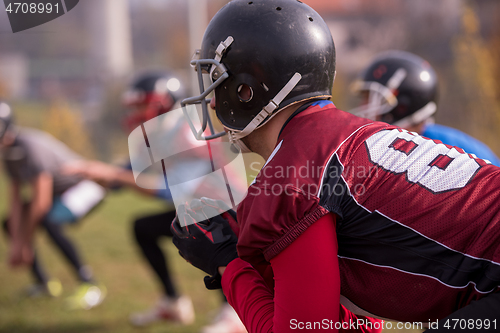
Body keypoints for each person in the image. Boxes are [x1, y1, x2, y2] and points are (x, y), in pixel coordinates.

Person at [170, 1, 500, 332]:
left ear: (246, 89)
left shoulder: (296, 174)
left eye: (217, 80)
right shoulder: (352, 137)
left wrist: (228, 264)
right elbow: (353, 326)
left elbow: (303, 329)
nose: (212, 101)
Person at [65, 72, 247, 333]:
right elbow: (133, 172)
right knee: (144, 228)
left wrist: (114, 175)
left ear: (165, 103)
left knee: (208, 235)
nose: (138, 113)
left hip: (231, 211)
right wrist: (99, 176)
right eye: (135, 107)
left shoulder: (188, 131)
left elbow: (171, 191)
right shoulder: (160, 134)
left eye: (143, 105)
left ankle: (234, 313)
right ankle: (173, 303)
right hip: (199, 208)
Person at [0, 101, 106, 309]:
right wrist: (16, 245)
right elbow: (15, 199)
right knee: (8, 223)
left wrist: (24, 243)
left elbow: (41, 201)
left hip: (84, 185)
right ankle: (44, 284)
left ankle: (90, 284)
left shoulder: (30, 146)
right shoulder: (6, 152)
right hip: (58, 192)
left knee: (49, 221)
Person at [350, 50, 500, 166]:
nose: (363, 106)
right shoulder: (391, 148)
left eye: (371, 98)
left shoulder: (456, 152)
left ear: (402, 107)